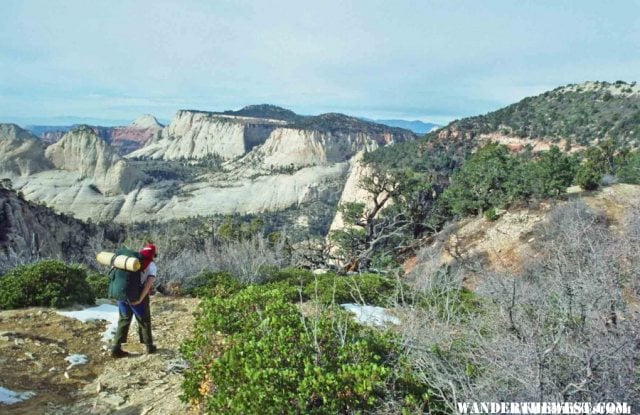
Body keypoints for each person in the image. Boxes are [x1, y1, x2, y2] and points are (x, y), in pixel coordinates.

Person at [111, 243, 158, 357]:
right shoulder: (151, 265)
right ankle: (149, 346)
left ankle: (116, 349)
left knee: (124, 320)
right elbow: (148, 285)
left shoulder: (129, 261)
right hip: (137, 295)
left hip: (122, 294)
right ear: (153, 254)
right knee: (144, 320)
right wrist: (140, 299)